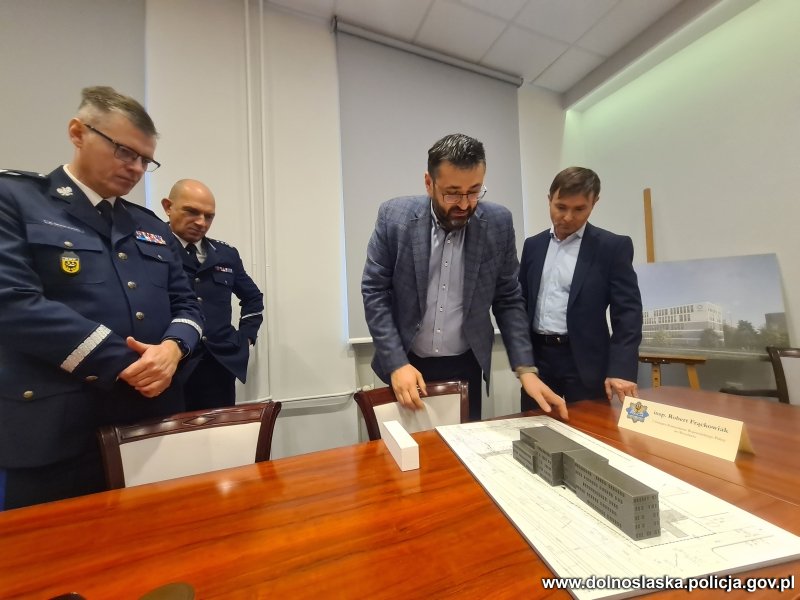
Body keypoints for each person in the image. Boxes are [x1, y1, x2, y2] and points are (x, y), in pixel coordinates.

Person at [0, 86, 203, 510]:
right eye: (124, 152)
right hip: (57, 431)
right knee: (54, 547)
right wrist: (129, 362)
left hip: (150, 419)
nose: (136, 169)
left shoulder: (150, 225)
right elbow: (13, 304)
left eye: (145, 160)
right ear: (78, 132)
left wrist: (172, 349)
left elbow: (187, 304)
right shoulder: (17, 199)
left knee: (155, 535)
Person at [362, 133, 567, 422]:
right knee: (407, 447)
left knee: (462, 446)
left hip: (465, 363)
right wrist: (396, 362)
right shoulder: (394, 218)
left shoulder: (497, 222)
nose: (464, 204)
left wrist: (526, 370)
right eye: (452, 193)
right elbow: (375, 291)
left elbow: (508, 298)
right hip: (406, 361)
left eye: (474, 191)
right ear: (429, 183)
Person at [519, 167, 643, 410]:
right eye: (560, 207)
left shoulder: (611, 248)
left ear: (594, 203)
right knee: (535, 426)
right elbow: (520, 303)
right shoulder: (533, 246)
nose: (567, 217)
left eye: (579, 209)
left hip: (586, 362)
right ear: (549, 199)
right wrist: (522, 360)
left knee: (589, 427)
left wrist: (621, 369)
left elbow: (628, 312)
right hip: (538, 361)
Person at [161, 179, 264, 409]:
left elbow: (253, 298)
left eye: (209, 216)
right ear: (168, 206)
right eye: (192, 212)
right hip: (174, 365)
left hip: (219, 364)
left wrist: (246, 337)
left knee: (220, 429)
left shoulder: (225, 254)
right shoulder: (153, 249)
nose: (201, 222)